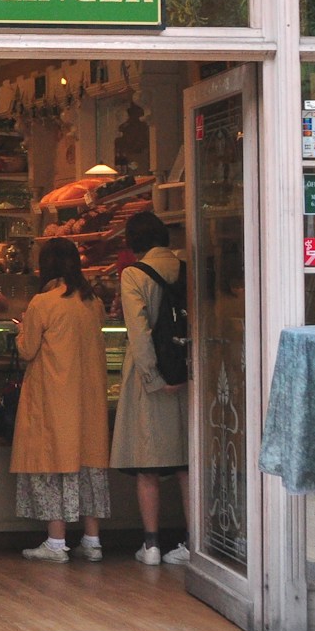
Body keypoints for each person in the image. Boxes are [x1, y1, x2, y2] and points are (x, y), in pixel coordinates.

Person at [10, 237, 111, 563]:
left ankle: (56, 543)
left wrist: (19, 330)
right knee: (87, 463)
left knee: (55, 461)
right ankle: (92, 540)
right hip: (89, 399)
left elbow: (27, 350)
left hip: (54, 397)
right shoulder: (93, 302)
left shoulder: (43, 302)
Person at [110, 211, 192, 566]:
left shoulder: (134, 274)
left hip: (152, 380)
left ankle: (152, 544)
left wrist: (154, 378)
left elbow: (139, 333)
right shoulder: (186, 268)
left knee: (148, 464)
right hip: (187, 376)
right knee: (186, 465)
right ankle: (194, 541)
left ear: (133, 241)